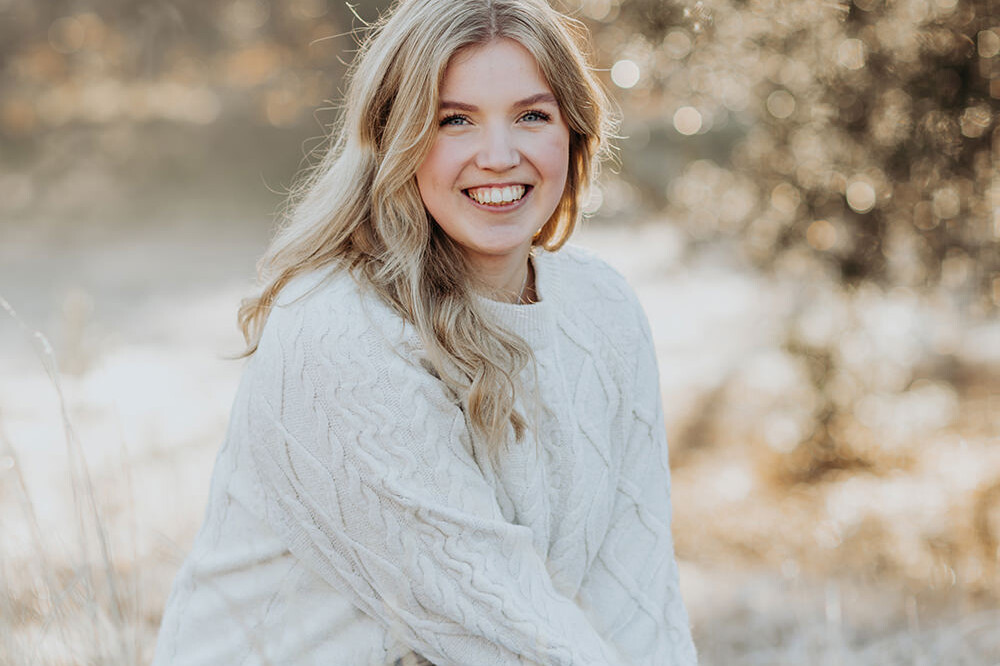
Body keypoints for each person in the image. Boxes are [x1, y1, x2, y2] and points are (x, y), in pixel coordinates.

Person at [153, 0, 698, 663]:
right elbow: (494, 625)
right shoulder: (337, 331)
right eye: (454, 121)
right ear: (394, 139)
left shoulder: (603, 306)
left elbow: (639, 593)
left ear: (574, 133)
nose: (499, 156)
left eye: (532, 116)